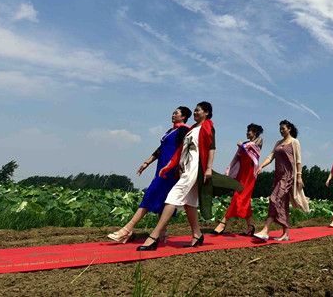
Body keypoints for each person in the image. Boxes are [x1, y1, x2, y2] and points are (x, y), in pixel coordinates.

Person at [137, 101, 242, 251]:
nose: (195, 113)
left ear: (206, 112)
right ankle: (197, 235)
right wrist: (170, 165)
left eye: (198, 110)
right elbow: (181, 150)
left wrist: (208, 169)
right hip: (186, 168)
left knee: (172, 197)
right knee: (189, 203)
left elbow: (211, 149)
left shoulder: (208, 127)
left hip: (195, 168)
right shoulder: (192, 129)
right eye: (194, 110)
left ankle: (153, 237)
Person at [108, 107, 191, 244]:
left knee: (150, 195)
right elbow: (160, 150)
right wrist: (146, 163)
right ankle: (163, 232)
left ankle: (127, 229)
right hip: (161, 167)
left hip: (170, 170)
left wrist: (178, 168)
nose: (173, 114)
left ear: (184, 116)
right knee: (162, 199)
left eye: (176, 113)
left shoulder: (184, 130)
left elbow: (184, 150)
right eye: (173, 112)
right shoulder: (170, 131)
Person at [253, 120, 309, 241]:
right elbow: (271, 156)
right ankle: (285, 234)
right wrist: (261, 166)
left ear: (289, 129)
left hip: (289, 176)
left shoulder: (294, 142)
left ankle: (265, 230)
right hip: (278, 176)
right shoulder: (279, 142)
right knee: (283, 204)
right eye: (280, 129)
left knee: (274, 198)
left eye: (283, 128)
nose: (281, 131)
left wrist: (299, 176)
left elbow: (298, 160)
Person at [210, 123, 264, 236]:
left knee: (238, 196)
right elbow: (238, 157)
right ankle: (250, 226)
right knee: (244, 199)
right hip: (241, 174)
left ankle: (223, 223)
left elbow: (251, 153)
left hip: (250, 175)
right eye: (247, 130)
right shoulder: (245, 144)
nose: (247, 132)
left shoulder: (257, 143)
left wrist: (242, 146)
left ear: (254, 133)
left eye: (250, 131)